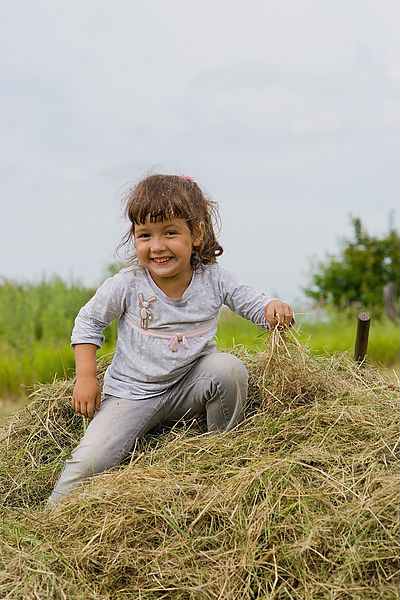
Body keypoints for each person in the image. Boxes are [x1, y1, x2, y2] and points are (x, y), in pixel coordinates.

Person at [46, 173, 294, 507]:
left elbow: (251, 301)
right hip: (131, 396)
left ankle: (221, 452)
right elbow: (89, 321)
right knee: (88, 464)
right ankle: (53, 514)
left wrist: (271, 309)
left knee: (229, 369)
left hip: (191, 387)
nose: (157, 246)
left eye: (170, 232)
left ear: (197, 234)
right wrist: (87, 377)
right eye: (145, 235)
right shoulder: (128, 284)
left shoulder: (213, 278)